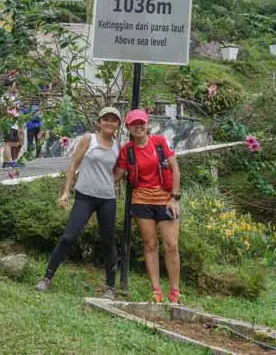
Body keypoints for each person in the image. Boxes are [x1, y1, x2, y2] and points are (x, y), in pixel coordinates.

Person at [35, 107, 122, 298]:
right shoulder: (88, 139)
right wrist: (66, 191)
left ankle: (110, 287)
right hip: (85, 196)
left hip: (107, 199)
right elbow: (74, 164)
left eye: (114, 120)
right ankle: (47, 277)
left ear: (118, 125)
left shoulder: (118, 146)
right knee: (69, 237)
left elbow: (118, 172)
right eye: (106, 119)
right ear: (99, 122)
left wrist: (106, 183)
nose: (109, 123)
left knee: (108, 242)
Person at [114, 109, 182, 303]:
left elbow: (175, 168)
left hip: (165, 198)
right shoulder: (127, 150)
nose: (139, 126)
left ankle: (175, 291)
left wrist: (175, 198)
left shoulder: (159, 142)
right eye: (134, 123)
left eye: (142, 123)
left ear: (147, 123)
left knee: (171, 245)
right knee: (150, 244)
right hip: (142, 200)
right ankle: (156, 290)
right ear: (128, 127)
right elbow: (117, 175)